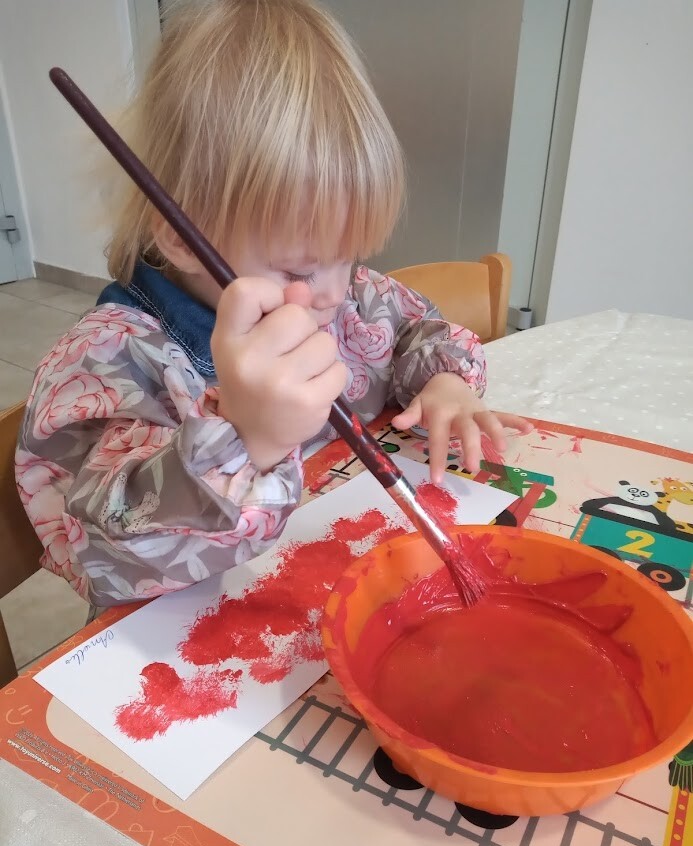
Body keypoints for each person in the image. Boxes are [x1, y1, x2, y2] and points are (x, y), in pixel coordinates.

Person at [16, 0, 529, 609]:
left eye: (351, 255)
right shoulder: (111, 364)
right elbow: (105, 556)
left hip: (344, 581)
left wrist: (445, 381)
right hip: (194, 634)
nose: (336, 291)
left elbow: (417, 327)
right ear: (181, 235)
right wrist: (244, 438)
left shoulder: (346, 299)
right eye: (302, 269)